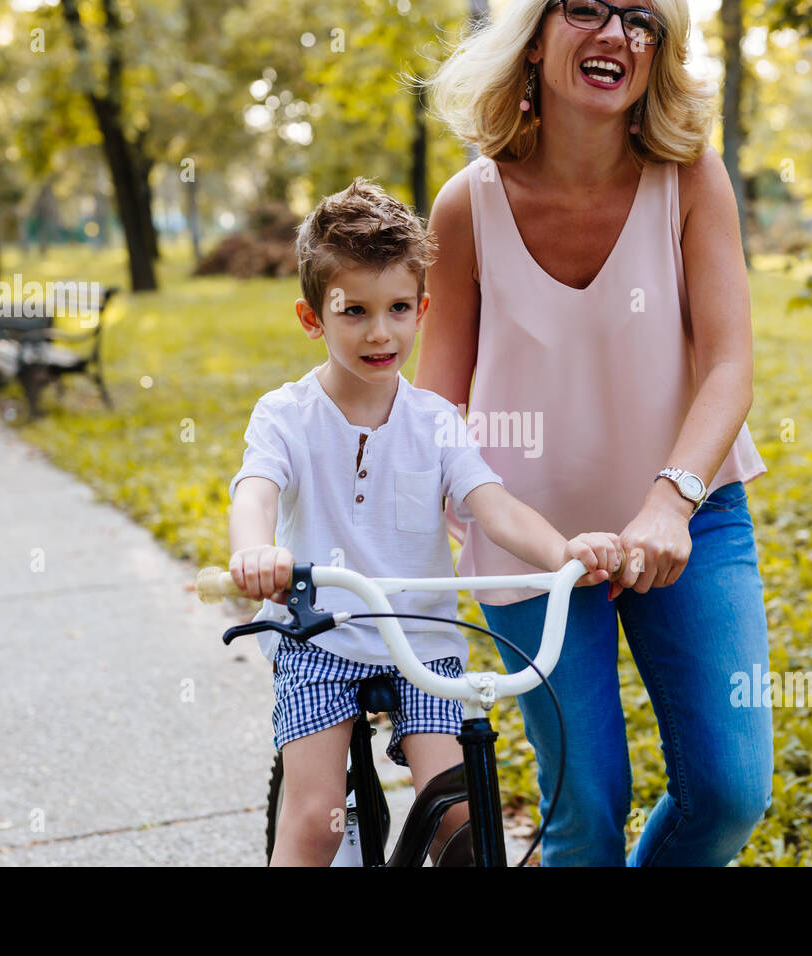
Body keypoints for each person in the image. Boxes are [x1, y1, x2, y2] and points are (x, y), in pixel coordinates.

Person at [415, 0, 773, 865]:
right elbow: (437, 405)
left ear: (658, 52)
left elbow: (729, 366)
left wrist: (669, 502)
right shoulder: (468, 205)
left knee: (730, 794)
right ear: (534, 36)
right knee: (585, 810)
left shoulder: (691, 180)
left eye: (643, 19)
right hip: (531, 543)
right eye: (587, 8)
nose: (617, 34)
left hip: (689, 515)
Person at [227, 177, 628, 866]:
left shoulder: (437, 421)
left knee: (460, 819)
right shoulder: (285, 416)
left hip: (423, 641)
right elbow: (256, 490)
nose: (380, 332)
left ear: (422, 310)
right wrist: (254, 551)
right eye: (354, 311)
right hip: (321, 635)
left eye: (398, 309)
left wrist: (566, 551)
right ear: (311, 317)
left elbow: (492, 506)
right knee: (318, 823)